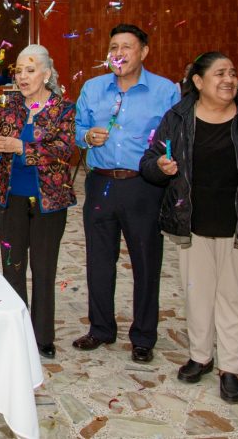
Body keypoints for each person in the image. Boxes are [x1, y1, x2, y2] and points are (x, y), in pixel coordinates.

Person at [140, 52, 238, 403]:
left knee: (232, 297)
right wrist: (160, 166)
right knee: (197, 294)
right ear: (198, 81)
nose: (229, 79)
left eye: (232, 73)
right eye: (219, 73)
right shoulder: (178, 117)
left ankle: (231, 367)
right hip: (192, 224)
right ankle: (200, 357)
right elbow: (149, 161)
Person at [73, 24, 179, 363]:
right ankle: (101, 328)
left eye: (126, 47)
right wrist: (87, 136)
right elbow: (76, 128)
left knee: (146, 262)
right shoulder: (93, 88)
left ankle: (144, 336)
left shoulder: (165, 91)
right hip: (101, 183)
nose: (118, 53)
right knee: (99, 261)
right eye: (113, 47)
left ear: (144, 52)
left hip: (143, 185)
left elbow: (176, 136)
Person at [0, 45, 76, 359]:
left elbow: (63, 150)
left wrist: (20, 147)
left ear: (46, 74)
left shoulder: (62, 109)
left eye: (30, 70)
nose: (22, 76)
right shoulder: (9, 107)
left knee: (44, 268)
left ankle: (43, 336)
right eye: (19, 70)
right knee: (13, 267)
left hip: (49, 201)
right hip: (10, 199)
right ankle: (18, 333)